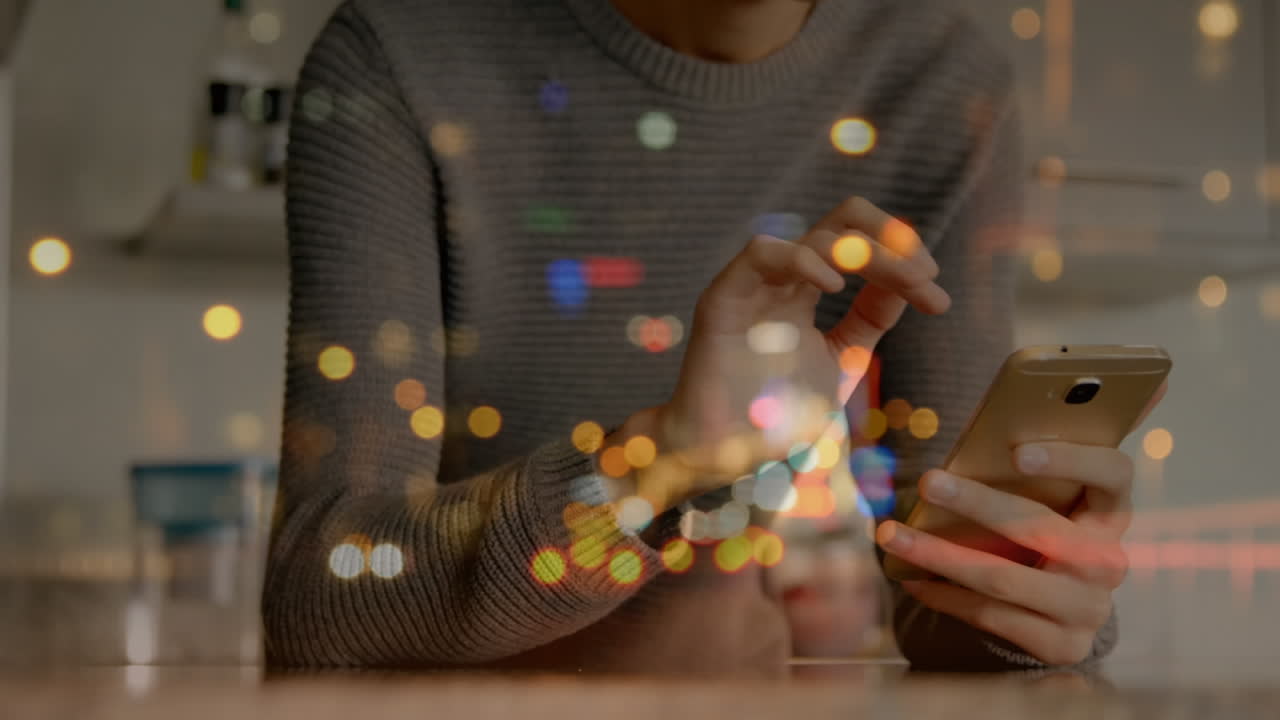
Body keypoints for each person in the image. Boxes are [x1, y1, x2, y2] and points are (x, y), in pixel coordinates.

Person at [264, 0, 1143, 673]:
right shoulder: (402, 52)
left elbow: (936, 590)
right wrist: (662, 460)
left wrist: (1033, 598)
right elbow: (320, 591)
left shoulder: (942, 81)